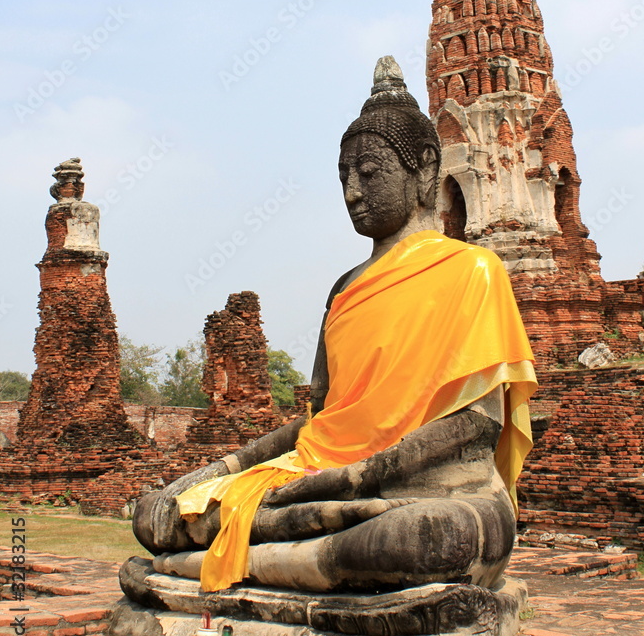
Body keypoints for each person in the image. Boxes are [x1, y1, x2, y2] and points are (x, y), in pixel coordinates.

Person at [132, 57, 536, 594]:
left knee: (424, 537)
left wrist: (356, 477)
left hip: (428, 490)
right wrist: (213, 472)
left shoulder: (473, 270)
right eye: (344, 177)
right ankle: (288, 560)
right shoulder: (346, 288)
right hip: (322, 481)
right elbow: (321, 421)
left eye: (369, 174)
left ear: (424, 169)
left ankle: (228, 565)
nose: (352, 193)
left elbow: (477, 426)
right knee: (159, 514)